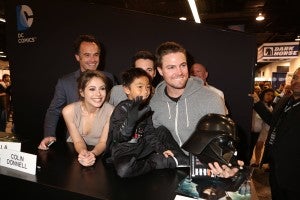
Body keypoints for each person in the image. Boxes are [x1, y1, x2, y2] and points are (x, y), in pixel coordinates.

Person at [149, 41, 242, 177]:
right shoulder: (154, 102)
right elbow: (153, 136)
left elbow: (224, 140)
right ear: (160, 71)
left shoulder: (211, 98)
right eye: (171, 67)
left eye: (183, 65)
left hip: (204, 168)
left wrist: (230, 164)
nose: (179, 72)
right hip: (172, 169)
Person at [106, 68, 187, 178]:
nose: (145, 91)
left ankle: (180, 157)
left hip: (141, 145)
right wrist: (130, 122)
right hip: (125, 150)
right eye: (140, 87)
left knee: (162, 130)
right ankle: (157, 161)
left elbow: (149, 133)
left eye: (148, 87)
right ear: (126, 89)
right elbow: (118, 137)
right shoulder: (122, 108)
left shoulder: (145, 108)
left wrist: (162, 149)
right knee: (124, 170)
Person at [38, 34, 115, 150]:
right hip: (75, 142)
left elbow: (113, 109)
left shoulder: (109, 78)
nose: (93, 60)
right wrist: (49, 135)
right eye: (87, 55)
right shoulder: (65, 82)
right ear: (78, 57)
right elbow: (54, 110)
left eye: (96, 55)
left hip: (103, 142)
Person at [250, 68, 300, 199]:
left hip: (294, 168)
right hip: (276, 162)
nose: (297, 81)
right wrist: (257, 103)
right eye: (295, 77)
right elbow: (272, 120)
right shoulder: (285, 100)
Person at [62, 70, 114, 167]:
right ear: (82, 92)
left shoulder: (111, 111)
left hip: (99, 154)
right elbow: (77, 141)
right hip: (73, 153)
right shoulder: (68, 111)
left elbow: (103, 142)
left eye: (102, 88)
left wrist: (92, 154)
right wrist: (83, 153)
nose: (98, 94)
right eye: (92, 89)